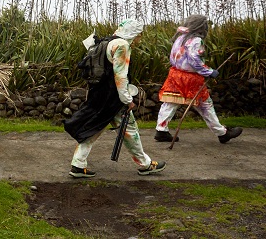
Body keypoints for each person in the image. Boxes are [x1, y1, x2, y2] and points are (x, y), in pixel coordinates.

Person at [63, 19, 166, 178]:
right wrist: (127, 100)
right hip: (113, 98)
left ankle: (78, 164)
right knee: (130, 131)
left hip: (98, 94)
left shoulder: (105, 42)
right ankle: (145, 165)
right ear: (133, 33)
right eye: (139, 35)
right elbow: (120, 77)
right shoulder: (122, 46)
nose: (140, 39)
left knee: (95, 127)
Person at [154, 14, 242, 144]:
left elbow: (173, 57)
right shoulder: (195, 41)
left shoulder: (180, 38)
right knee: (205, 104)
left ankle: (161, 130)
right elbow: (195, 60)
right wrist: (209, 71)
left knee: (170, 102)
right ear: (201, 27)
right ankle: (221, 133)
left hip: (175, 75)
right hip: (191, 79)